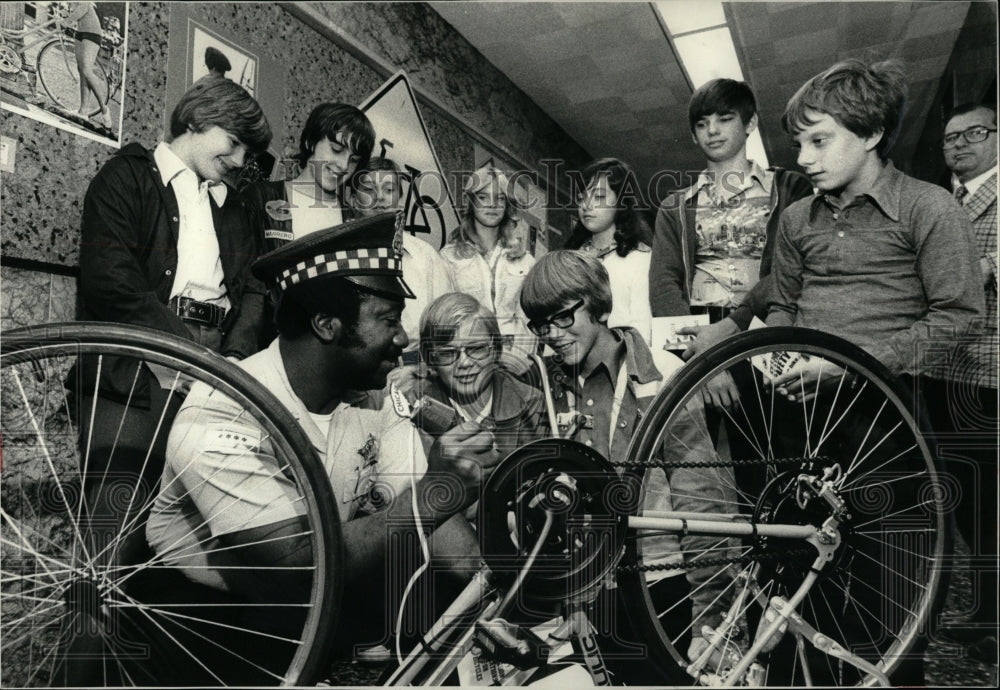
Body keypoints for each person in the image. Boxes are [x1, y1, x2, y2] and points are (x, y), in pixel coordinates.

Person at [144, 213, 498, 681]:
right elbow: (296, 569)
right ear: (327, 324)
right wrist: (437, 491)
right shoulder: (221, 412)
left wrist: (497, 594)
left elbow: (424, 524)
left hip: (313, 610)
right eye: (387, 319)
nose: (403, 337)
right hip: (205, 625)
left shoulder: (378, 398)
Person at [767, 59, 986, 684]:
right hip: (800, 419)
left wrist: (850, 366)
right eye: (798, 143)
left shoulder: (930, 208)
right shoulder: (794, 221)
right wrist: (778, 355)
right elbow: (783, 305)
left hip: (891, 422)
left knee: (892, 582)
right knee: (800, 570)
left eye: (820, 139)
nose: (804, 158)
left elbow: (959, 317)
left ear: (868, 134)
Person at [520, 250, 738, 684]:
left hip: (662, 582)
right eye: (541, 325)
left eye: (563, 317)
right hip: (585, 591)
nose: (553, 335)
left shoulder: (662, 375)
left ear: (599, 304)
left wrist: (711, 613)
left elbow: (703, 500)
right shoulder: (543, 382)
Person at [75, 74, 272, 529]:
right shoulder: (127, 176)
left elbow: (256, 287)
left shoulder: (233, 205)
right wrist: (184, 349)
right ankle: (91, 604)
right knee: (113, 523)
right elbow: (111, 281)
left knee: (182, 530)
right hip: (138, 361)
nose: (241, 160)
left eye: (249, 153)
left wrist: (236, 357)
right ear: (200, 118)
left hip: (217, 361)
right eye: (236, 142)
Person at [649, 78, 812, 352]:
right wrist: (701, 362)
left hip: (768, 326)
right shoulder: (674, 207)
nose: (712, 130)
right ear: (692, 134)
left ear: (750, 124)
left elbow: (794, 270)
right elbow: (664, 289)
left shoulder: (790, 188)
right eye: (701, 124)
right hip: (697, 336)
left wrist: (738, 322)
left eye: (724, 119)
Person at [925, 103, 998, 663]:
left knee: (988, 499)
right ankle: (977, 610)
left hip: (990, 373)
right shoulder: (942, 202)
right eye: (951, 138)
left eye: (975, 133)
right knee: (959, 500)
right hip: (942, 373)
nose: (960, 144)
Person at [395, 291, 546, 461]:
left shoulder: (531, 405)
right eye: (448, 353)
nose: (465, 363)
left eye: (477, 349)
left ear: (496, 349)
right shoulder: (411, 407)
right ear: (429, 358)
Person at [353, 156, 457, 350]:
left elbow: (447, 323)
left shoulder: (426, 256)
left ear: (399, 200)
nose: (380, 197)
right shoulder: (342, 254)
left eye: (389, 189)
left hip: (416, 365)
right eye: (369, 189)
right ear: (354, 200)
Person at [243, 102, 374, 254]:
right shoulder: (260, 197)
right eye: (336, 150)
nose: (344, 165)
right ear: (310, 142)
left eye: (354, 160)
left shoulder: (354, 221)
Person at [440, 165, 536, 367]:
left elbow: (530, 320)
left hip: (517, 360)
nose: (493, 205)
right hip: (469, 358)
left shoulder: (525, 259)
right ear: (470, 202)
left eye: (500, 198)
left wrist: (518, 358)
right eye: (483, 197)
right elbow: (446, 319)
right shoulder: (448, 257)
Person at [565, 158, 654, 345]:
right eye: (581, 198)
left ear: (621, 201)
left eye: (598, 197)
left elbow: (642, 331)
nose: (586, 206)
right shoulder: (569, 259)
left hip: (621, 364)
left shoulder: (640, 259)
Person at [72, 2, 113, 128]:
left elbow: (83, 8)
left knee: (86, 70)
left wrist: (67, 20)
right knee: (81, 69)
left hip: (92, 33)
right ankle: (83, 112)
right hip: (80, 32)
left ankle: (104, 109)